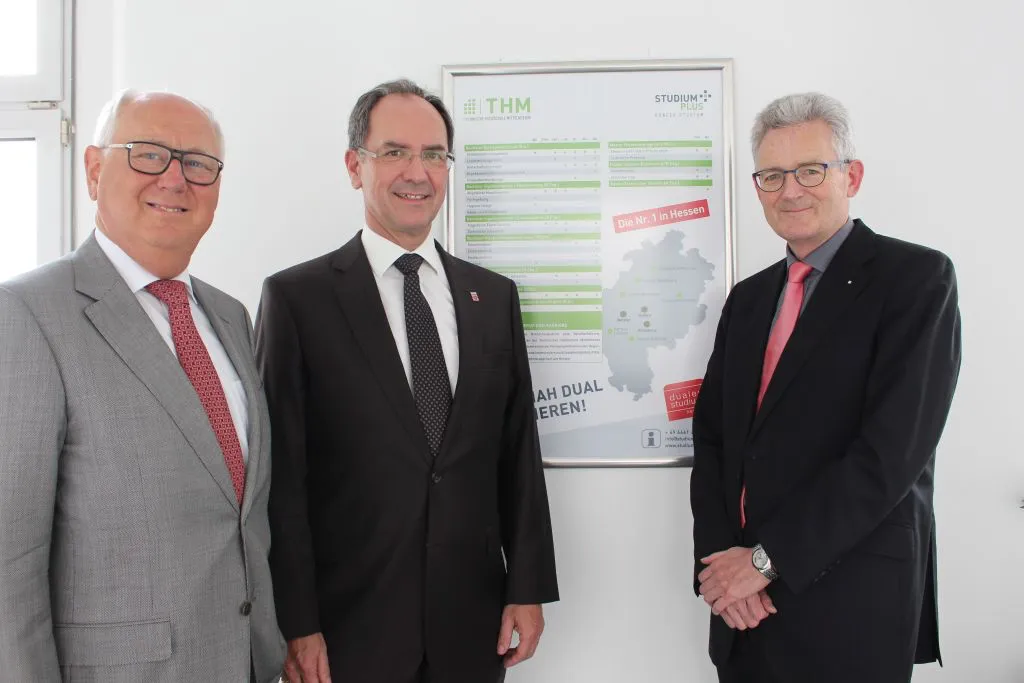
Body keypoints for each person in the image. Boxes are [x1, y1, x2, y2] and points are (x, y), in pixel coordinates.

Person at [255, 79, 559, 683]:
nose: (416, 172)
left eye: (434, 154)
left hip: (471, 624)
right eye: (394, 152)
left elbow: (517, 451)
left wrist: (527, 588)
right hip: (346, 630)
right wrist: (295, 621)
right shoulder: (297, 299)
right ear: (354, 165)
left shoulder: (492, 297)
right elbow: (279, 477)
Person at [0, 89, 286, 682]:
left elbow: (238, 513)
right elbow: (9, 560)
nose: (176, 179)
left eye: (198, 164)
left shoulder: (230, 316)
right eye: (149, 154)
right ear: (95, 169)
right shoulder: (27, 314)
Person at [690, 92, 961, 683]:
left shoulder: (915, 280)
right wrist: (719, 570)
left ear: (851, 176)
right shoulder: (749, 298)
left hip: (850, 601)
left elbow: (889, 455)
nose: (791, 191)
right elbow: (713, 441)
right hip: (743, 610)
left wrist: (765, 561)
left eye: (811, 170)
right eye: (772, 175)